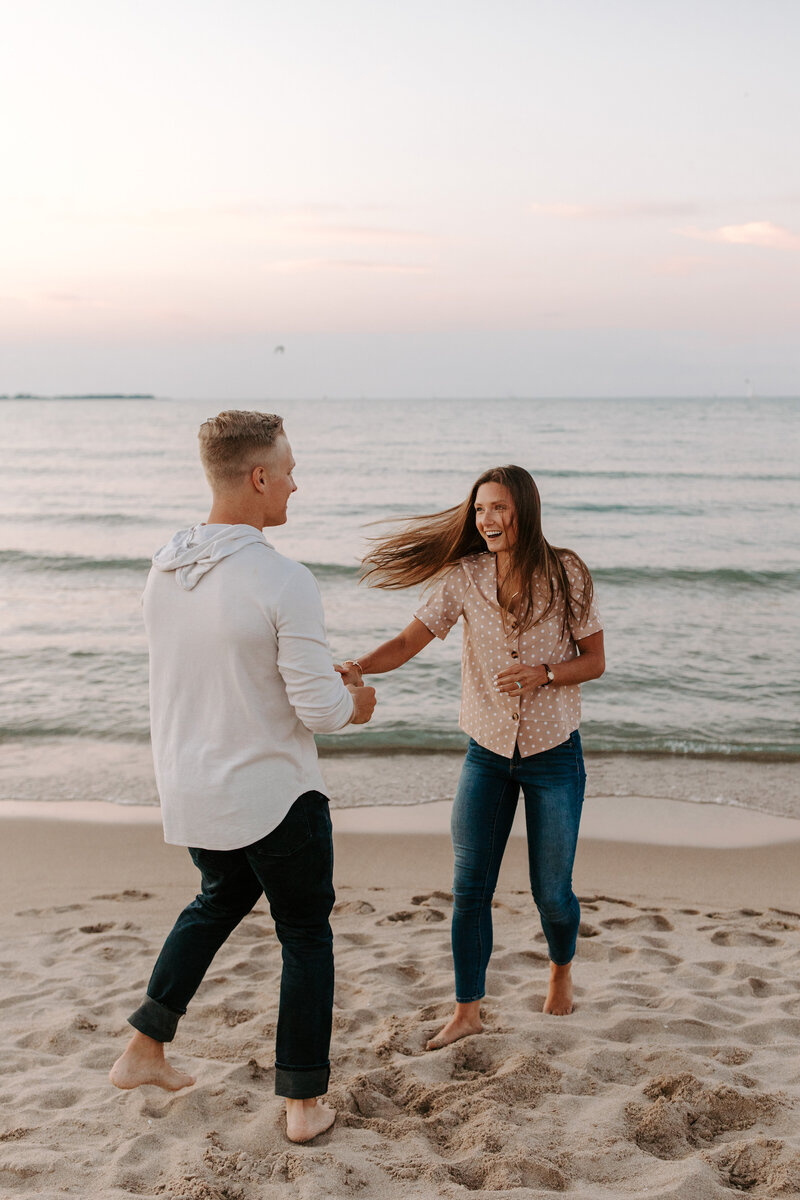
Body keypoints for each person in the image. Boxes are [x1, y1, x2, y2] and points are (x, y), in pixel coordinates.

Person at [109, 410, 376, 1144]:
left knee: (219, 896)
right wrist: (358, 701)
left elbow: (220, 672)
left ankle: (145, 1046)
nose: (297, 483)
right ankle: (302, 1104)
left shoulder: (166, 565)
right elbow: (319, 710)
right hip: (272, 793)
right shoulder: (282, 577)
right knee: (305, 934)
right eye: (288, 470)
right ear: (258, 477)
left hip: (193, 788)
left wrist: (317, 676)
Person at [340, 465, 604, 1050]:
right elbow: (410, 641)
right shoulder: (466, 577)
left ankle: (561, 968)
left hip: (554, 753)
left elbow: (594, 660)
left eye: (500, 508)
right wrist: (359, 665)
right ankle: (467, 1010)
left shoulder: (568, 573)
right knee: (469, 887)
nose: (488, 519)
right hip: (486, 751)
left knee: (551, 891)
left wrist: (546, 673)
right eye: (481, 509)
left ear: (525, 511)